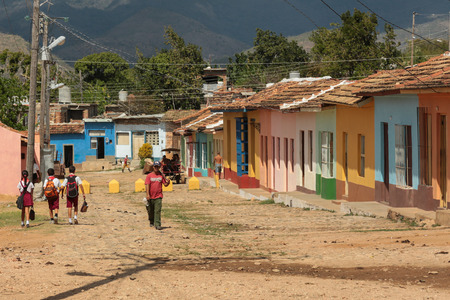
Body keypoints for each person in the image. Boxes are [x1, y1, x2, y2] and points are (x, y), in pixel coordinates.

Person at [145, 161, 170, 230]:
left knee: (157, 210)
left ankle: (158, 224)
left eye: (157, 167)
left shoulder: (161, 175)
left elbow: (165, 184)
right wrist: (147, 195)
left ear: (159, 167)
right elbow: (147, 185)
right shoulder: (149, 176)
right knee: (150, 210)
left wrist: (168, 183)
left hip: (158, 196)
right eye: (155, 166)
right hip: (150, 196)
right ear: (153, 167)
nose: (156, 168)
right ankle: (151, 221)